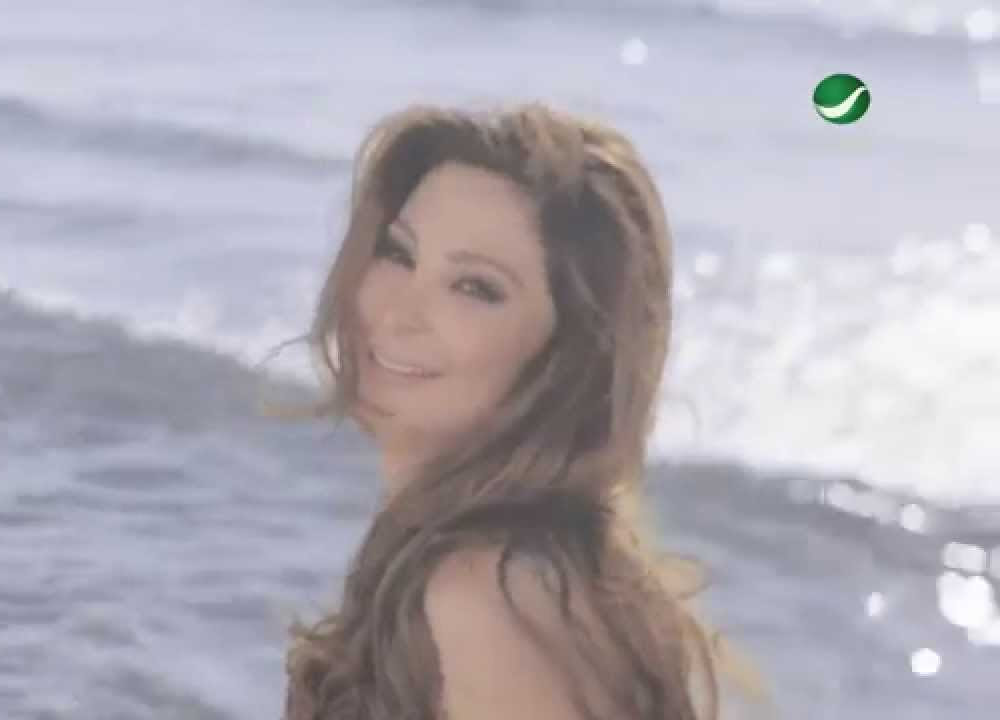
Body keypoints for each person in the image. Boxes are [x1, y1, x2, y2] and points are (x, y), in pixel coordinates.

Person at [262, 102, 761, 720]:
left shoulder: (489, 601)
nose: (398, 313)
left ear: (567, 352)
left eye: (474, 287)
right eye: (398, 253)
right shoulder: (475, 559)